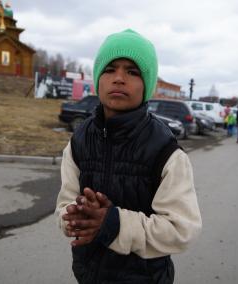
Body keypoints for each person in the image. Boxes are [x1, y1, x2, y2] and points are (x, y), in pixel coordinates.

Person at [55, 29, 202, 283]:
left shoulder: (166, 150)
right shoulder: (79, 141)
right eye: (110, 69)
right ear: (98, 79)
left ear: (147, 84)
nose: (119, 78)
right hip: (86, 274)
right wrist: (76, 217)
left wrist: (112, 224)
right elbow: (64, 205)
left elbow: (182, 229)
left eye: (132, 72)